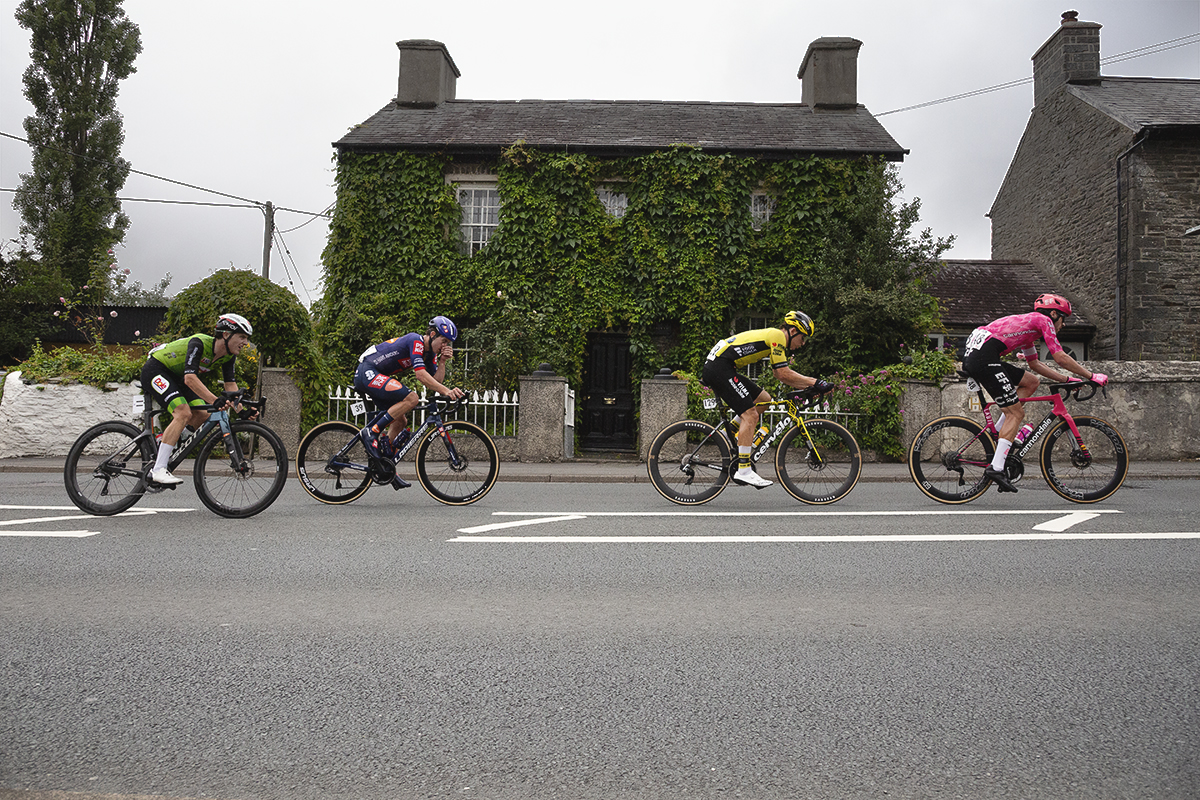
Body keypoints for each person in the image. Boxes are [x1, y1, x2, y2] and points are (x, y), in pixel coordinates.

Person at [961, 293, 1109, 493]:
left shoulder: (1028, 327)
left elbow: (1034, 365)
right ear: (1054, 314)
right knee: (1016, 413)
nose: (1063, 325)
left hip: (979, 354)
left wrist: (1067, 380)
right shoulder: (1044, 321)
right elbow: (1060, 357)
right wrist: (1091, 375)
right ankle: (996, 468)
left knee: (1031, 382)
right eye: (1063, 319)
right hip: (983, 357)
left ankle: (997, 433)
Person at [700, 311, 833, 489]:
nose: (802, 344)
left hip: (722, 365)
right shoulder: (778, 336)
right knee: (751, 415)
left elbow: (779, 373)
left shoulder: (774, 338)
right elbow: (785, 374)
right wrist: (817, 382)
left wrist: (809, 387)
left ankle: (728, 434)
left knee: (765, 399)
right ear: (793, 331)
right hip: (720, 367)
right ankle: (744, 470)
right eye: (803, 338)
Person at [140, 313, 254, 486]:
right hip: (156, 370)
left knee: (203, 414)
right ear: (225, 335)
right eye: (242, 337)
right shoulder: (199, 343)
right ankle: (158, 469)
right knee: (183, 412)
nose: (245, 342)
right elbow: (190, 379)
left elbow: (230, 385)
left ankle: (171, 442)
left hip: (178, 378)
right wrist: (215, 400)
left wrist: (242, 410)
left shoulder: (228, 356)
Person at [353, 316, 467, 466]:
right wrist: (447, 391)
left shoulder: (430, 354)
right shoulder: (416, 341)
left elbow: (436, 382)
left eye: (448, 343)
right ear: (433, 335)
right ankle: (372, 433)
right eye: (444, 341)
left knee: (400, 420)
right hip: (367, 370)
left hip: (377, 374)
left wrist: (442, 361)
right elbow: (420, 375)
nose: (445, 345)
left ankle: (384, 465)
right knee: (413, 398)